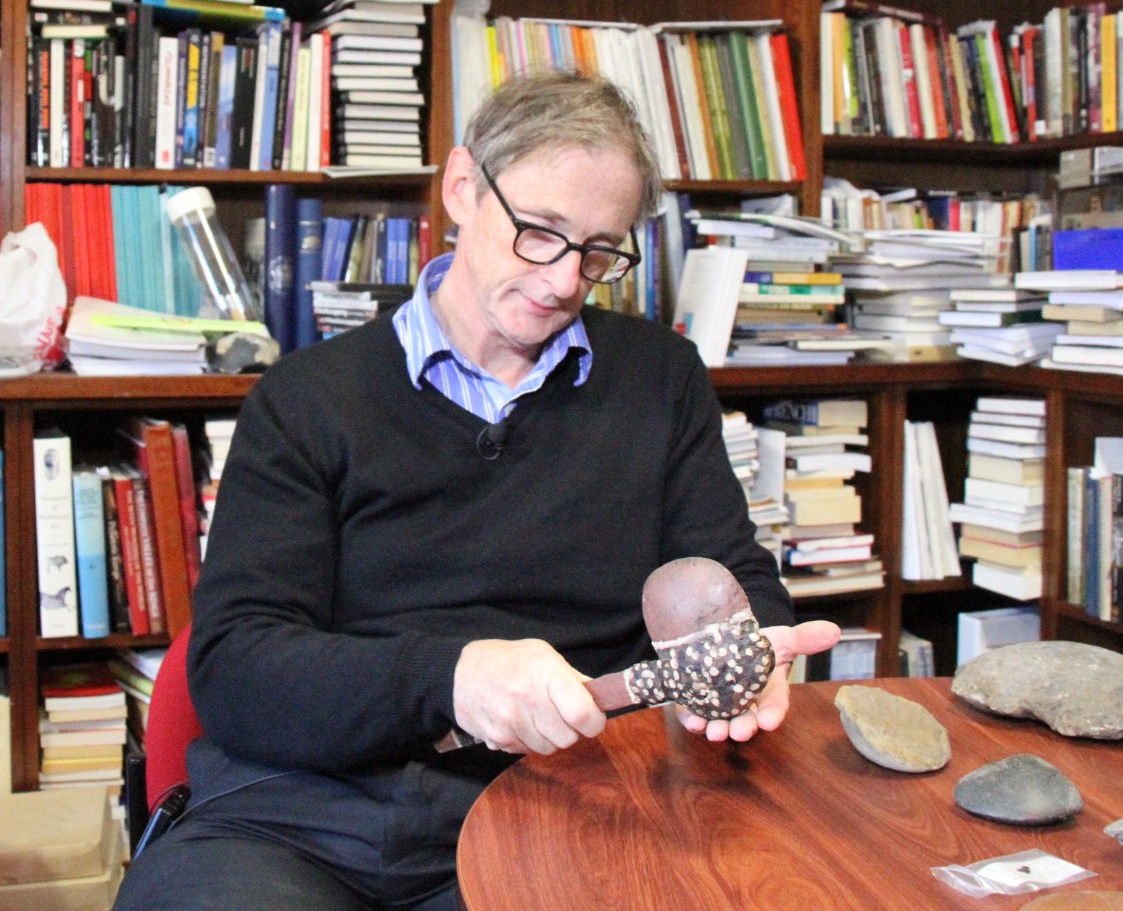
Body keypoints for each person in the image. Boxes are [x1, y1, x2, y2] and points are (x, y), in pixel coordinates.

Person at [114, 71, 839, 911]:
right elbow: (235, 669)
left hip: (558, 811)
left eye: (601, 250)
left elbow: (731, 577)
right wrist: (452, 677)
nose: (566, 280)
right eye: (541, 232)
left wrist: (750, 651)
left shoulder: (659, 380)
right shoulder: (308, 398)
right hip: (296, 820)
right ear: (462, 186)